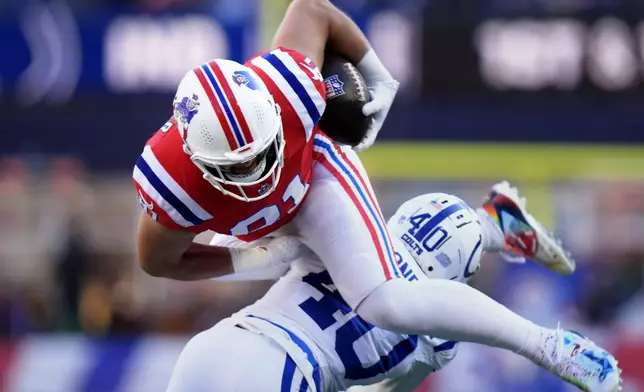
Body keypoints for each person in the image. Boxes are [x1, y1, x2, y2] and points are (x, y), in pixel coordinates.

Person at [132, 0, 617, 390]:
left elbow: (311, 9)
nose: (257, 170)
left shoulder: (288, 90)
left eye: (259, 151)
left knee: (386, 303)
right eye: (237, 165)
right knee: (388, 301)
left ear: (271, 114)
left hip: (315, 177)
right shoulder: (174, 186)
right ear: (199, 160)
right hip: (265, 247)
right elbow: (159, 261)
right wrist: (252, 258)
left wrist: (375, 71)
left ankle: (550, 347)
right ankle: (494, 226)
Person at [165, 183, 621, 392]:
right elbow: (434, 304)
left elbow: (260, 248)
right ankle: (550, 344)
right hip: (282, 374)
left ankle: (498, 226)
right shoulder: (437, 332)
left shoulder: (347, 243)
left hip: (220, 342)